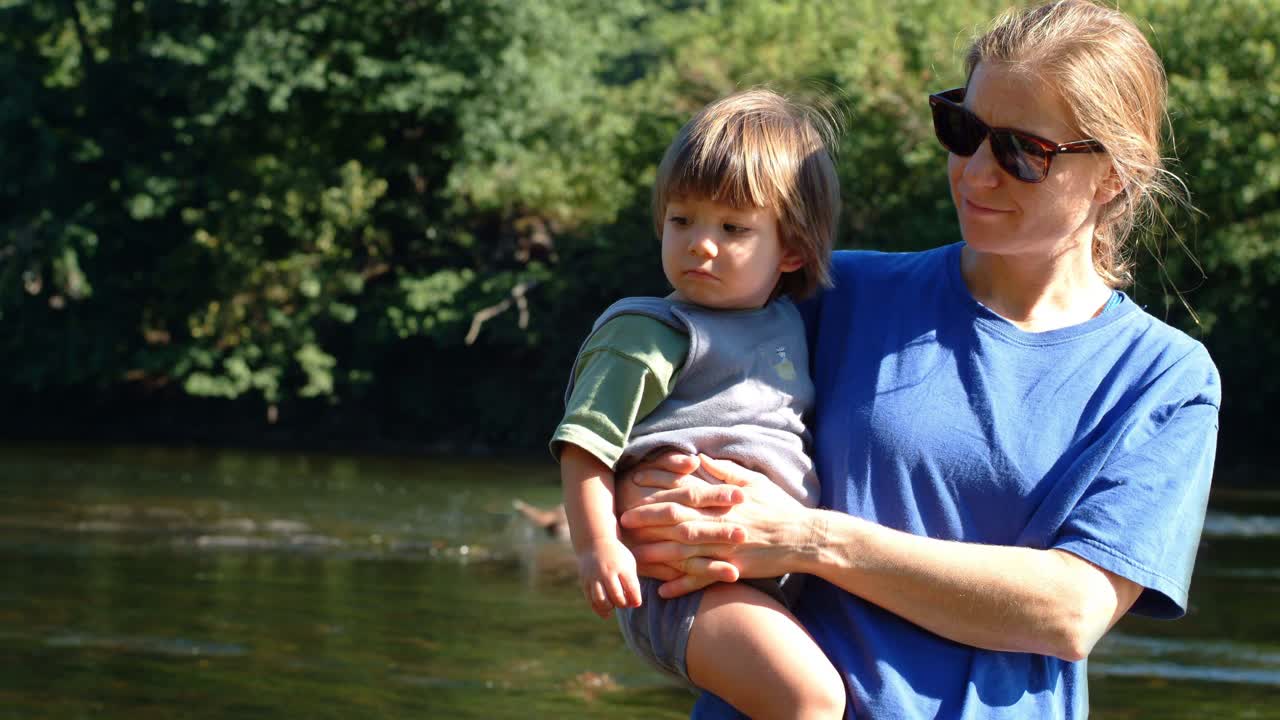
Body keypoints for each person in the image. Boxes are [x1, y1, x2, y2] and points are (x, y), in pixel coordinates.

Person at [616, 2, 1221, 718]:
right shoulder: (832, 293)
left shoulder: (1164, 379)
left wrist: (807, 539)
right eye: (962, 129)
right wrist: (645, 490)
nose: (974, 171)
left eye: (1022, 151)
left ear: (1116, 173)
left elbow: (1068, 613)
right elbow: (649, 406)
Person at [549, 88, 847, 718]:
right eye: (682, 219)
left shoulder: (787, 321)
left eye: (733, 228)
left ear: (791, 249)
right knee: (811, 701)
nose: (699, 245)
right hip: (683, 579)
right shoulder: (649, 332)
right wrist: (596, 546)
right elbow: (584, 445)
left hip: (756, 571)